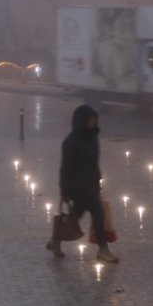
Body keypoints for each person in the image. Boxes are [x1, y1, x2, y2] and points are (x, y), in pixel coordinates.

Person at [46, 104, 119, 263]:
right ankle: (101, 249)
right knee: (87, 217)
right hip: (77, 189)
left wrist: (98, 180)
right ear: (81, 121)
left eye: (94, 120)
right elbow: (65, 168)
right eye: (89, 120)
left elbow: (94, 163)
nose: (92, 123)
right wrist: (64, 192)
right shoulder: (70, 142)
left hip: (91, 187)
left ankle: (57, 241)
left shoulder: (93, 138)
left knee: (84, 217)